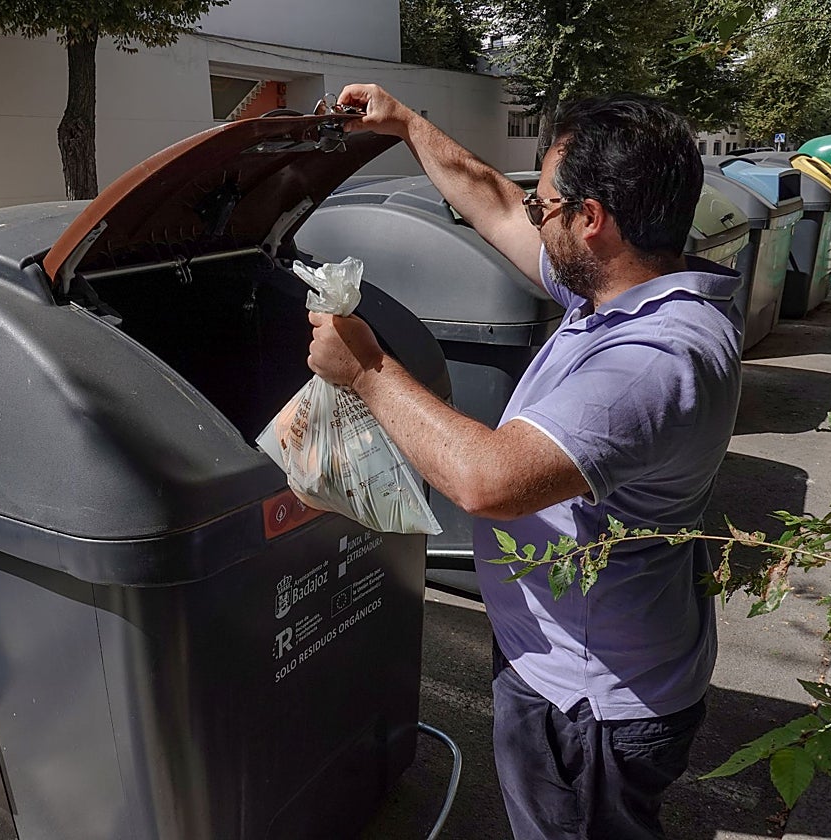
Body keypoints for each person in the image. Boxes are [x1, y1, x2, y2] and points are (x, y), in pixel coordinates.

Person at [307, 85, 743, 840]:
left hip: (591, 706)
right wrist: (407, 122)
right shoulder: (616, 292)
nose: (532, 216)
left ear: (592, 219)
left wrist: (366, 370)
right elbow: (497, 208)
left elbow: (489, 481)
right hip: (578, 669)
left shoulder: (652, 359)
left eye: (548, 206)